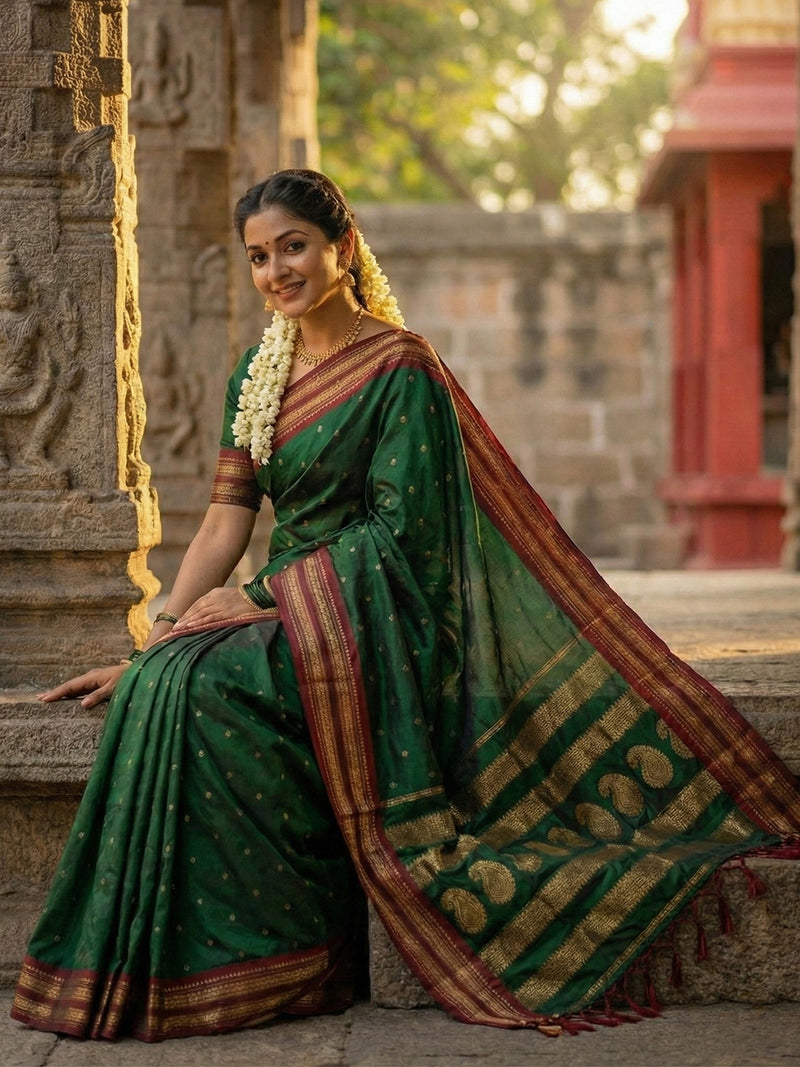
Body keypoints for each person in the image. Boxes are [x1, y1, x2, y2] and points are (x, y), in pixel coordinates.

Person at [11, 170, 800, 1042]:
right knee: (162, 681)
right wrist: (154, 638)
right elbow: (222, 526)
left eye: (294, 247)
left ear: (342, 248)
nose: (276, 271)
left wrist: (265, 596)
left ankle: (293, 952)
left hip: (376, 620)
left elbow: (407, 535)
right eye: (258, 257)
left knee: (204, 689)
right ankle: (181, 960)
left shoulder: (401, 368)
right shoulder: (256, 372)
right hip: (295, 608)